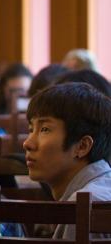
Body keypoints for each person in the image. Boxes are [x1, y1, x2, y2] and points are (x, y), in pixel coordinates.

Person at [23, 82, 111, 240]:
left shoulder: (85, 205)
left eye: (45, 129)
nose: (27, 143)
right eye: (31, 129)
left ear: (82, 146)